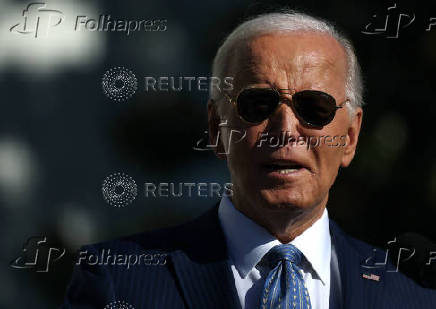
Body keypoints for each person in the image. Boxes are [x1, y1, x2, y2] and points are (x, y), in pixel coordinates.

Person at [61, 10, 436, 309]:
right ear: (215, 128)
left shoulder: (411, 294)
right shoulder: (117, 280)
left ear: (350, 137)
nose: (287, 129)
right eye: (258, 104)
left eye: (314, 107)